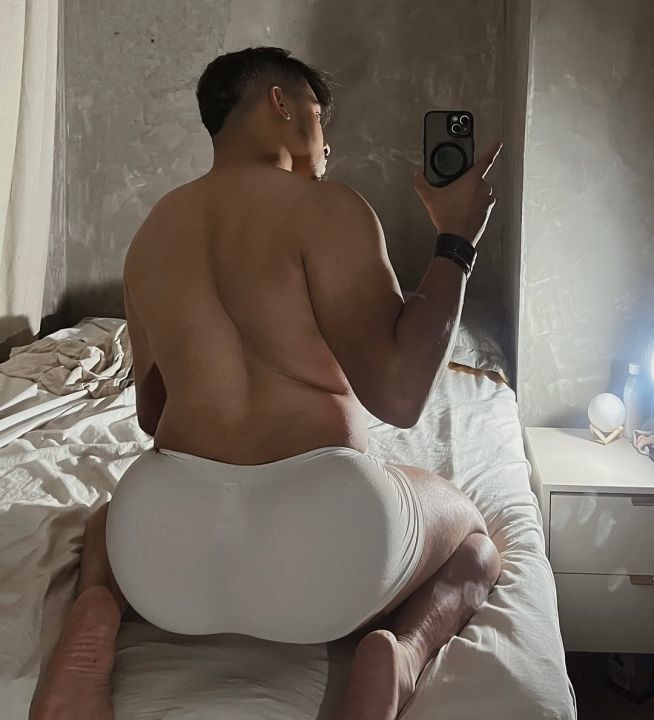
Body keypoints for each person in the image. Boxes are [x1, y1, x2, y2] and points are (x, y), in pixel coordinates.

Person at [29, 46, 503, 720]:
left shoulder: (154, 233)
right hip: (327, 542)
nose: (327, 143)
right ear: (281, 102)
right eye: (319, 115)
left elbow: (152, 414)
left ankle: (91, 623)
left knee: (109, 518)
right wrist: (456, 239)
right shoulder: (328, 209)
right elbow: (400, 396)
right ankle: (400, 656)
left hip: (164, 547)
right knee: (477, 545)